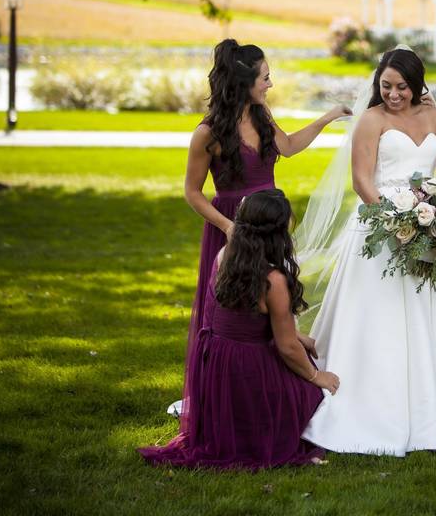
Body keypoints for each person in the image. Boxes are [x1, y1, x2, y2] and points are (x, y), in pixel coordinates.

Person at [298, 47, 436, 456]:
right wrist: (395, 221)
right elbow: (362, 181)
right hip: (381, 230)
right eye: (386, 86)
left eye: (402, 87)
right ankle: (378, 404)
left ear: (418, 86)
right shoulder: (371, 119)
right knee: (380, 321)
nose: (393, 94)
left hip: (435, 228)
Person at [174, 39, 349, 416]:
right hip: (233, 224)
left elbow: (286, 147)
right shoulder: (208, 133)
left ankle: (272, 379)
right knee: (230, 312)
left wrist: (326, 118)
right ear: (244, 82)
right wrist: (227, 226)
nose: (270, 84)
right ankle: (217, 388)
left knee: (273, 297)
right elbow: (192, 192)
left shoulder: (261, 113)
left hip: (270, 220)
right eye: (265, 78)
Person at [139, 189, 339, 469]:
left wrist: (296, 336)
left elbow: (243, 321)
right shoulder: (273, 279)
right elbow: (286, 347)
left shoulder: (225, 255)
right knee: (312, 396)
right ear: (278, 232)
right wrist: (316, 376)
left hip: (215, 363)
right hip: (246, 369)